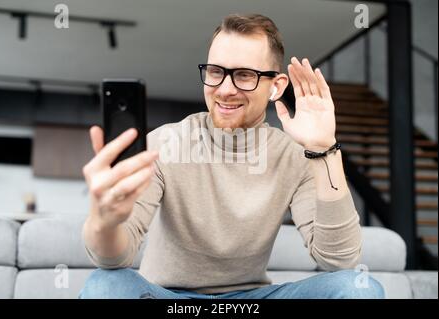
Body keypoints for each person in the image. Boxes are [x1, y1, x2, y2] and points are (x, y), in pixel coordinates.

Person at [79, 13, 384, 299]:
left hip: (249, 301)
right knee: (105, 285)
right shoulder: (164, 142)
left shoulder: (296, 156)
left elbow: (339, 261)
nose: (225, 89)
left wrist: (323, 148)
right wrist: (104, 222)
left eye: (244, 75)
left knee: (358, 288)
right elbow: (116, 257)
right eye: (216, 72)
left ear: (276, 86)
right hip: (169, 298)